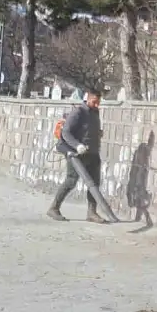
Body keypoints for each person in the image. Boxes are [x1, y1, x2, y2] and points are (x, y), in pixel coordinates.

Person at [47, 88, 107, 224]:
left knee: (94, 184)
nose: (97, 105)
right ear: (88, 98)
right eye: (95, 102)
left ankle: (92, 213)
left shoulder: (95, 112)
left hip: (92, 153)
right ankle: (54, 208)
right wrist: (77, 145)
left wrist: (98, 133)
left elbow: (88, 129)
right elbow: (66, 133)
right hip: (76, 154)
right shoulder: (78, 112)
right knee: (71, 180)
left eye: (99, 102)